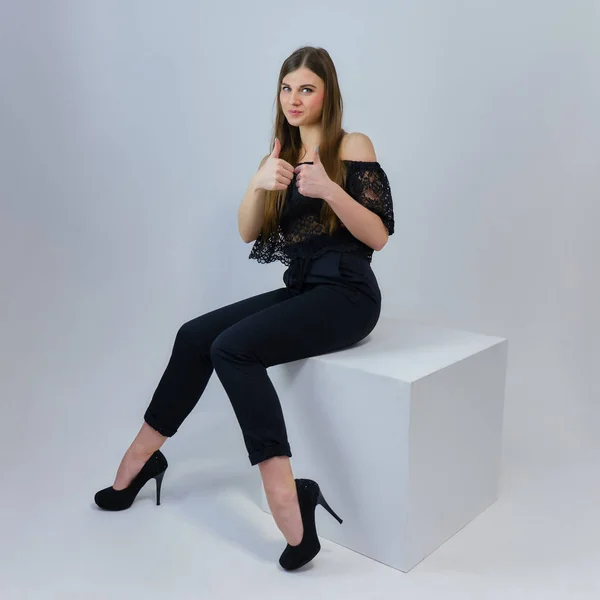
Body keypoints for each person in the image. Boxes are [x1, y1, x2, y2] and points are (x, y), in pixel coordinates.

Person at [93, 45, 394, 571]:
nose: (294, 98)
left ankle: (286, 496)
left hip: (349, 294)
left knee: (233, 349)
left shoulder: (352, 145)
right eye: (287, 88)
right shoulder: (276, 155)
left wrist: (329, 189)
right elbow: (248, 231)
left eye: (307, 88)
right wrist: (257, 184)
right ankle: (142, 459)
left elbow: (379, 234)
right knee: (194, 335)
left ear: (328, 94)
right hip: (303, 290)